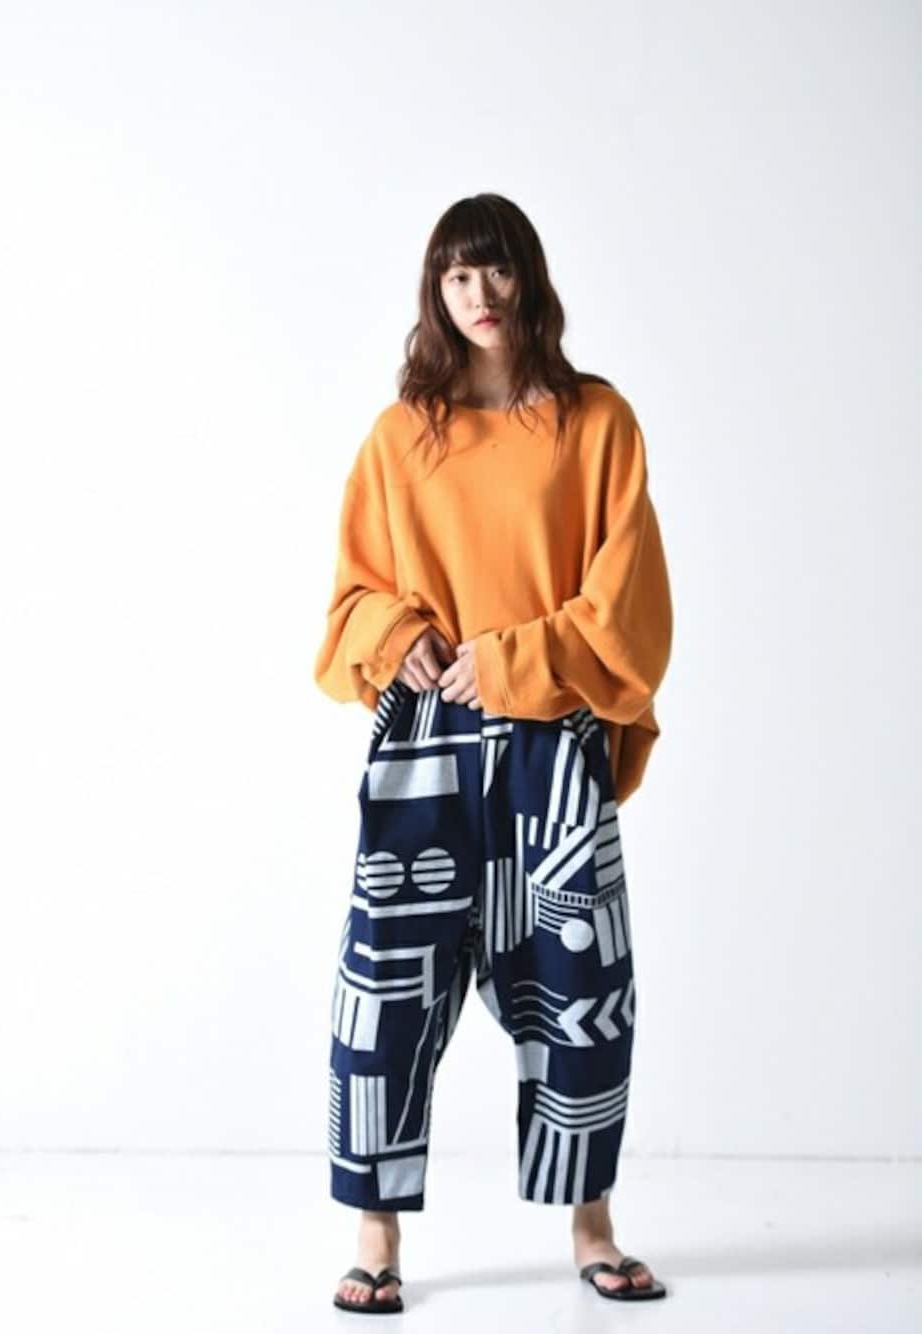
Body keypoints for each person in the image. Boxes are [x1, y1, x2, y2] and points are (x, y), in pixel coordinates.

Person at [313, 192, 674, 1313]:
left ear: (529, 278)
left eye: (497, 270)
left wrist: (512, 660)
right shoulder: (401, 435)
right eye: (457, 275)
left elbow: (629, 604)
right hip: (429, 742)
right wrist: (399, 636)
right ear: (437, 289)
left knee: (580, 987)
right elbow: (349, 602)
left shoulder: (597, 422)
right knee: (385, 993)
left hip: (550, 740)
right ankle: (375, 1238)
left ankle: (591, 1226)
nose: (479, 294)